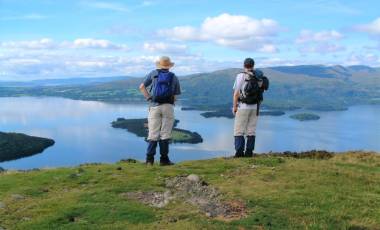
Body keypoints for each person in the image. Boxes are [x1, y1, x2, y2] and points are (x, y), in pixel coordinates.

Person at [139, 56, 181, 166]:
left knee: (153, 133)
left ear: (159, 65)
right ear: (169, 66)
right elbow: (175, 95)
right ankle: (164, 160)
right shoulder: (173, 77)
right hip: (168, 107)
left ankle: (149, 160)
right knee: (165, 133)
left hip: (154, 106)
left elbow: (141, 87)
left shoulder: (153, 74)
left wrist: (149, 98)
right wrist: (171, 103)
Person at [232, 58, 269, 157]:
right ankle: (249, 152)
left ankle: (239, 153)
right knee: (251, 130)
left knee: (239, 130)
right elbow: (261, 93)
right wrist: (258, 108)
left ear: (244, 65)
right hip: (255, 107)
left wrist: (234, 107)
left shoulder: (241, 76)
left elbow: (236, 94)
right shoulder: (259, 77)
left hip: (243, 106)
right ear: (253, 65)